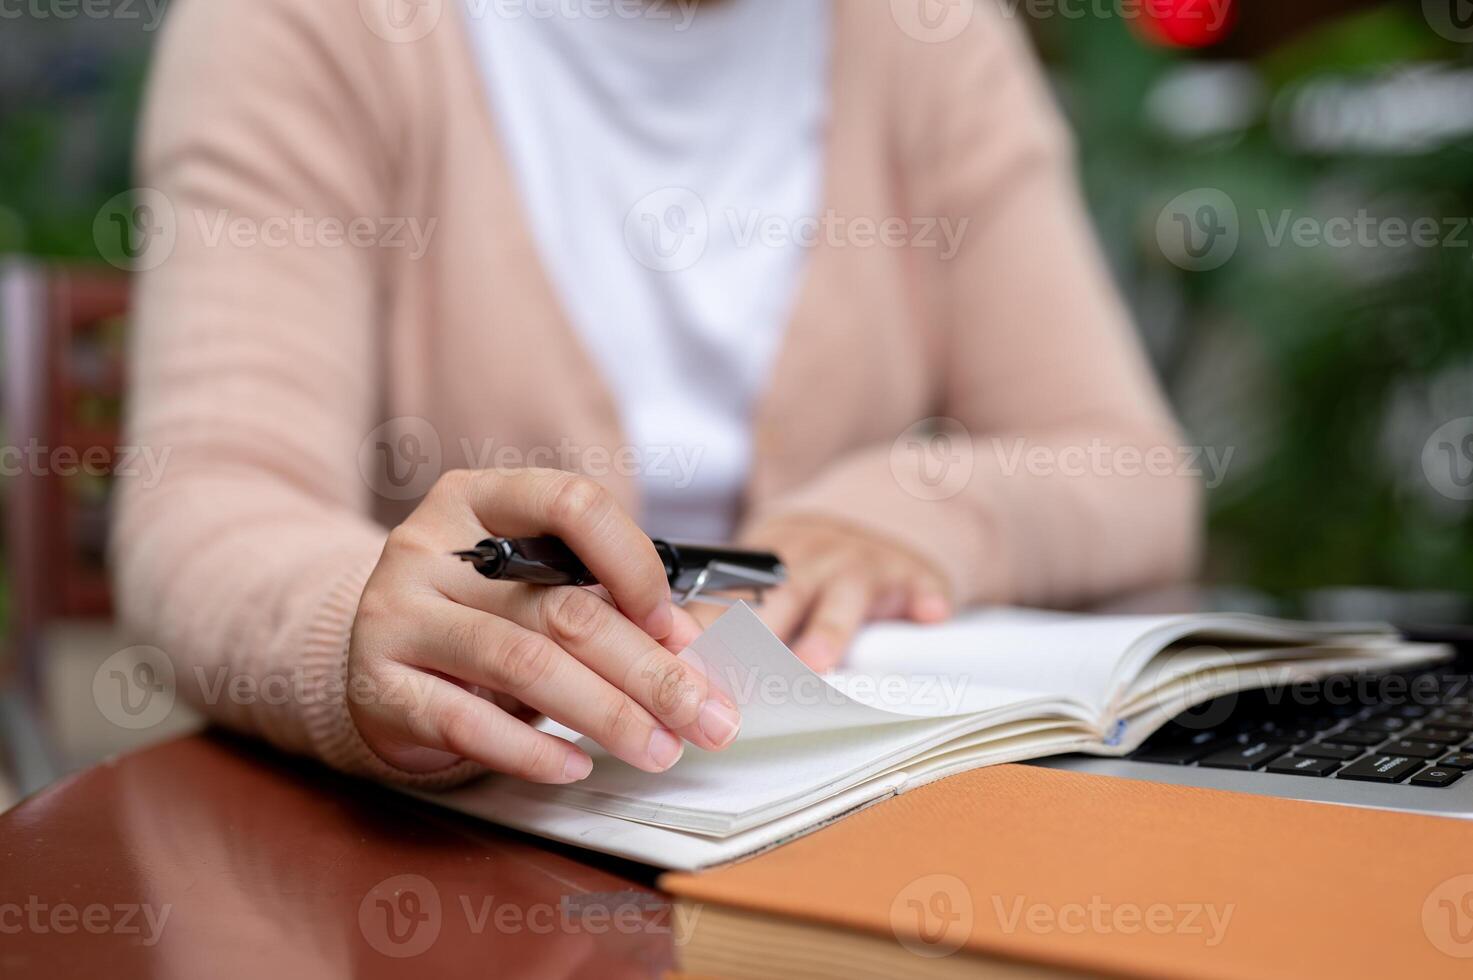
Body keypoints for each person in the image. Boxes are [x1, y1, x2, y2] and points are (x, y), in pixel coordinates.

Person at [112, 0, 1200, 791]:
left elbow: (1129, 466)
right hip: (473, 841)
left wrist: (896, 517)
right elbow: (203, 503)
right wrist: (362, 625)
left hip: (853, 797)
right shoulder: (309, 27)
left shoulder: (929, 35)